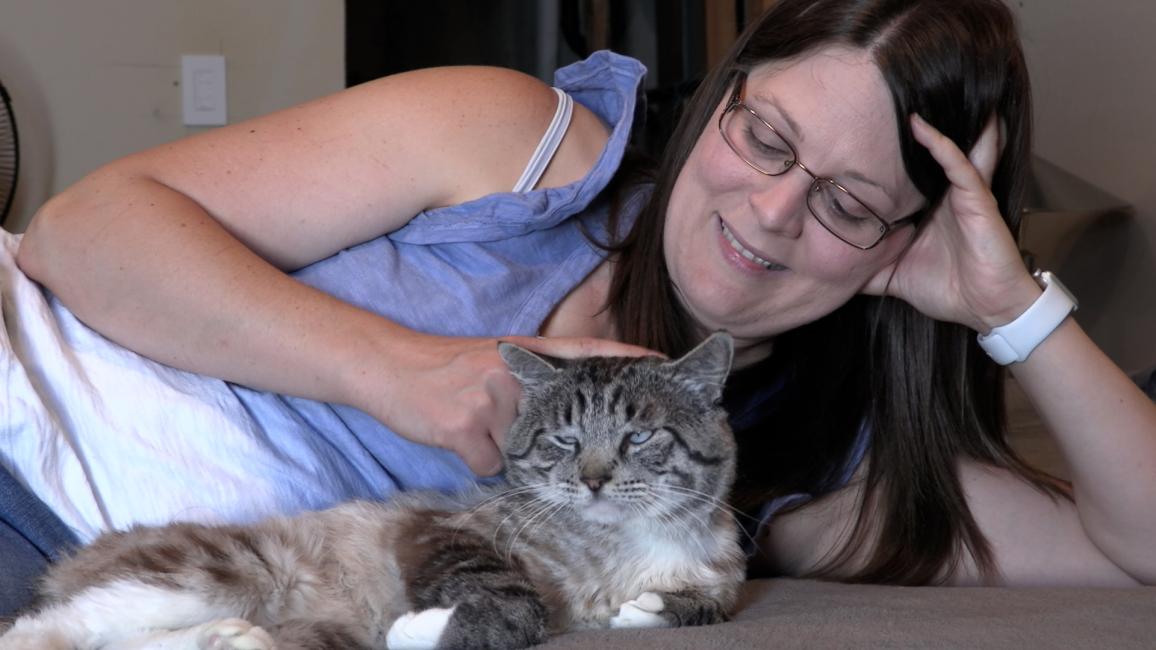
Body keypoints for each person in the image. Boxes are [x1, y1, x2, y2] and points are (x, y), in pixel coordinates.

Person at [2, 0, 1153, 616]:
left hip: (154, 574)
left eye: (847, 202)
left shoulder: (812, 462)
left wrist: (1009, 304)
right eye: (765, 137)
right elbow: (79, 230)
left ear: (902, 241)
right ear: (720, 98)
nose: (769, 211)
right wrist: (399, 368)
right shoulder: (519, 142)